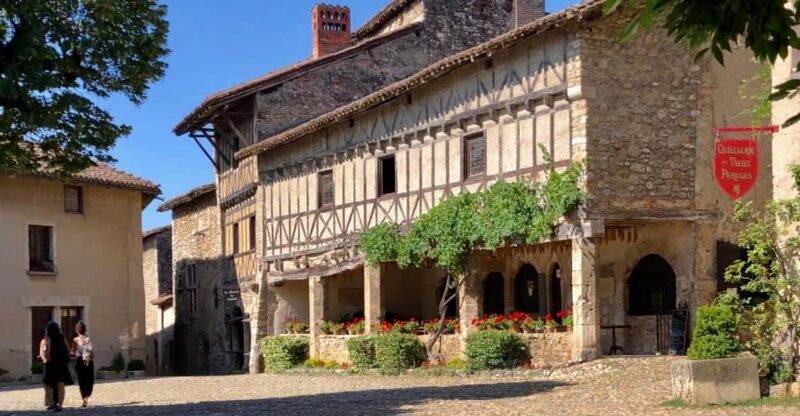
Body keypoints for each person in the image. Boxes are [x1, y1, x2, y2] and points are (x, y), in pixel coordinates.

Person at [39, 321, 73, 412]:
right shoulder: (62, 338)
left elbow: (45, 355)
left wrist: (44, 358)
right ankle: (60, 405)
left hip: (50, 364)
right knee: (60, 384)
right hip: (61, 364)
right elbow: (68, 350)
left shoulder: (46, 339)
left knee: (48, 384)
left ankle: (51, 403)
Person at [70, 321, 94, 407]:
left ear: (77, 330)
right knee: (89, 380)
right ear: (85, 330)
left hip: (80, 361)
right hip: (89, 361)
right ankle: (87, 395)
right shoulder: (88, 339)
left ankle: (84, 399)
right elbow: (91, 351)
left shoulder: (75, 340)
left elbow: (72, 352)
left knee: (82, 381)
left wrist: (72, 354)